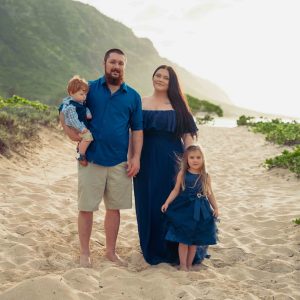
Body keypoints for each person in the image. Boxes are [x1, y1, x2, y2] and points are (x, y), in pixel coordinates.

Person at [60, 48, 143, 267]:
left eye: (121, 63)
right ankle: (85, 252)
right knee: (86, 207)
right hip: (92, 160)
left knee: (114, 209)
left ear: (124, 67)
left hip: (119, 161)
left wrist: (136, 158)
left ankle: (110, 252)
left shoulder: (133, 96)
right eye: (112, 62)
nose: (116, 66)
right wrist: (71, 135)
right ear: (105, 64)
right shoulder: (90, 89)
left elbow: (137, 130)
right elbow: (66, 108)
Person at [133, 65, 203, 265]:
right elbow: (133, 133)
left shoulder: (178, 106)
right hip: (144, 161)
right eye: (158, 75)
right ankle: (151, 247)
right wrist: (132, 158)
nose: (161, 79)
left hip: (172, 162)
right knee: (147, 203)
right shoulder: (141, 102)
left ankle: (172, 251)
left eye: (165, 77)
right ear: (152, 77)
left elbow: (188, 140)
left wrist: (193, 169)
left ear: (171, 82)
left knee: (171, 204)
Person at [161, 145, 219, 271]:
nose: (195, 160)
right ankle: (183, 265)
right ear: (187, 159)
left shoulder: (205, 176)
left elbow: (210, 193)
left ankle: (189, 264)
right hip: (184, 209)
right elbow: (176, 190)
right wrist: (167, 202)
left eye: (198, 157)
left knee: (194, 241)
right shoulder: (183, 174)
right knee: (183, 239)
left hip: (200, 210)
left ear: (203, 159)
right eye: (192, 157)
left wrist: (216, 207)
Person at [60, 75, 93, 166]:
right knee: (88, 137)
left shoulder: (79, 103)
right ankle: (81, 155)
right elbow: (73, 120)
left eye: (85, 94)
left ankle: (80, 146)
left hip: (80, 125)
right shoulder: (71, 107)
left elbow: (84, 108)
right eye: (81, 94)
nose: (84, 97)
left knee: (85, 138)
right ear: (71, 93)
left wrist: (88, 113)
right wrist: (82, 128)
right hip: (76, 127)